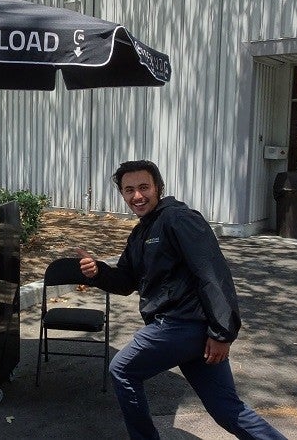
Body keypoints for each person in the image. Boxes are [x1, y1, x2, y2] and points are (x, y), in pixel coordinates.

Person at [77, 160, 285, 440]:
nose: (137, 196)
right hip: (191, 333)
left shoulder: (178, 219)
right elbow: (126, 282)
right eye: (129, 190)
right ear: (123, 194)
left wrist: (223, 333)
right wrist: (98, 272)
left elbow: (212, 273)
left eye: (143, 187)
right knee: (226, 409)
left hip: (180, 324)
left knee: (123, 369)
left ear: (158, 188)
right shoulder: (141, 233)